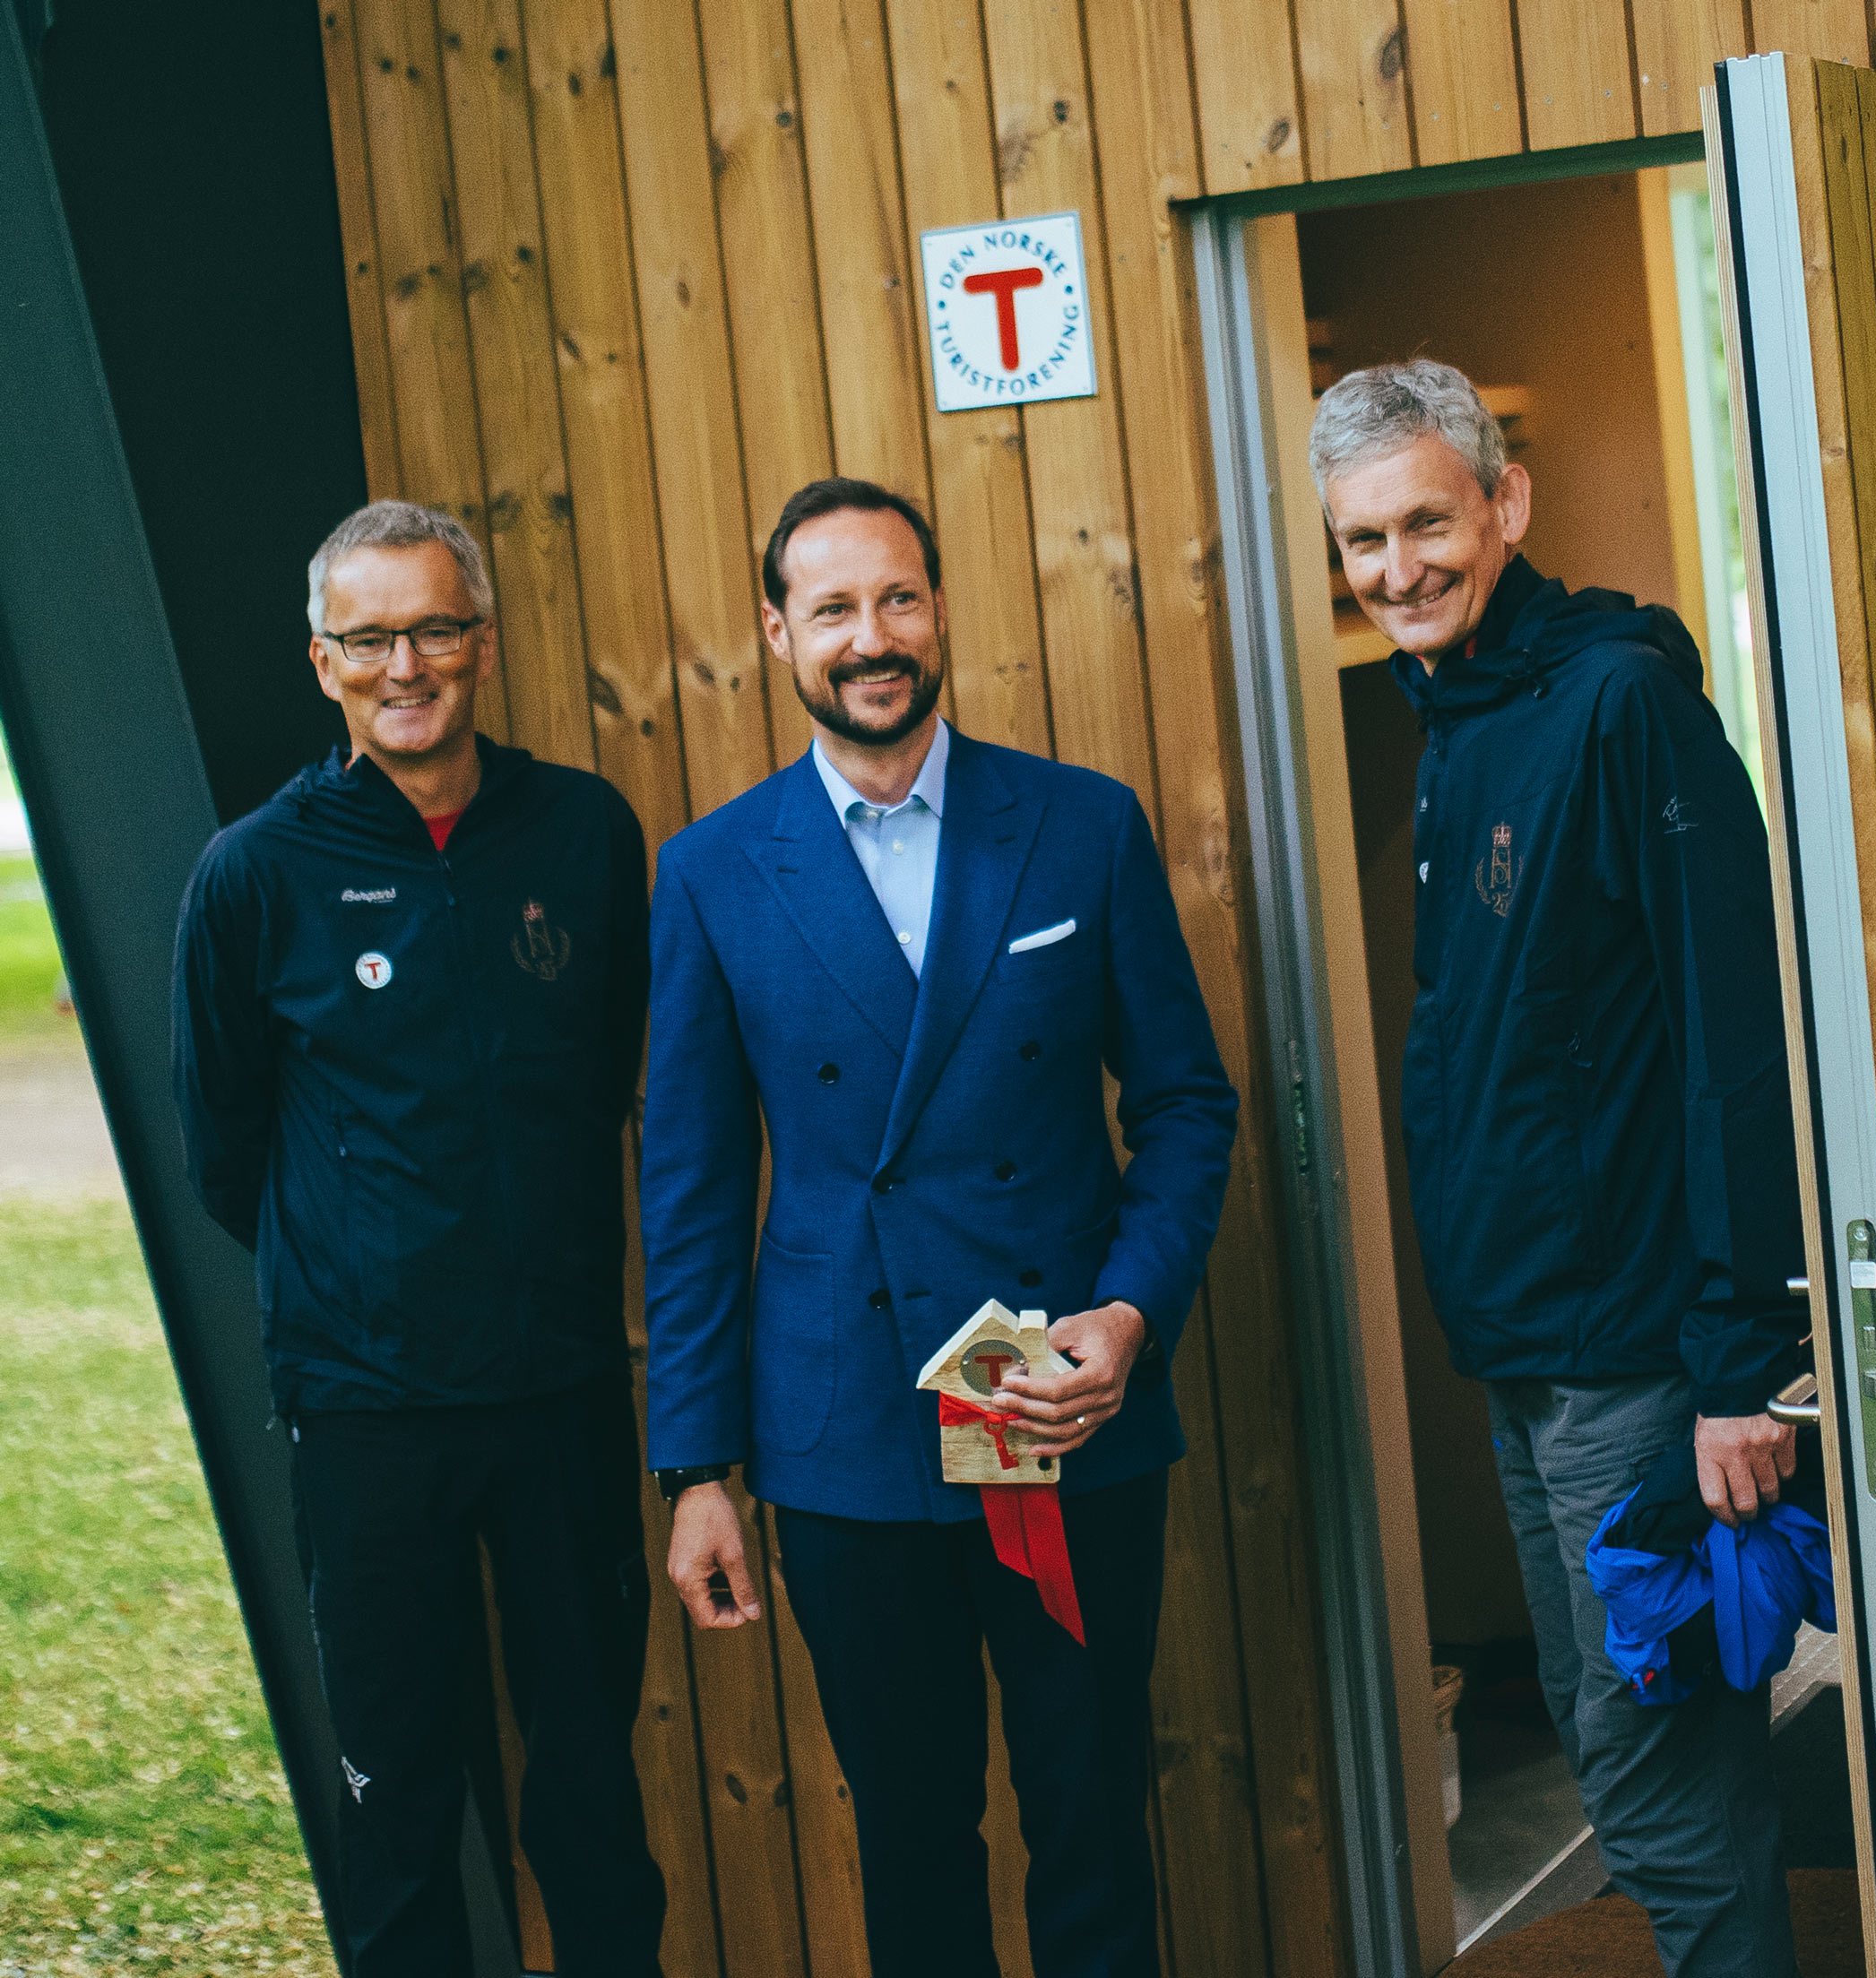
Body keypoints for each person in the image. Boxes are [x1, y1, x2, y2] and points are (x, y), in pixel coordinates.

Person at [640, 477, 1237, 1978]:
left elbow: (1184, 1108)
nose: (872, 637)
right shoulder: (714, 870)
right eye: (832, 609)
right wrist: (696, 1468)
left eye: (898, 597)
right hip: (847, 1428)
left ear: (943, 607)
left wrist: (1128, 1316)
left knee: (1092, 1807)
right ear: (778, 633)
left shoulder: (1081, 827)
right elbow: (697, 1192)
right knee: (910, 1831)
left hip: (1066, 1406)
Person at [1310, 359, 1809, 1976]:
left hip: (1643, 1363)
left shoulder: (1618, 702)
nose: (1398, 572)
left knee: (1656, 1773)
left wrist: (1745, 1362)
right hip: (1530, 1358)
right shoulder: (1454, 719)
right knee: (1637, 1752)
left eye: (1427, 525)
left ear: (1504, 506)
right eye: (1363, 544)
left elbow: (1738, 1048)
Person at [171, 501, 665, 1974]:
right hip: (369, 1411)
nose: (409, 666)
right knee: (398, 1807)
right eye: (371, 638)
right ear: (323, 663)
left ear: (485, 643)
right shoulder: (254, 876)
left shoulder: (581, 833)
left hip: (561, 1391)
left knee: (590, 1796)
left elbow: (614, 1076)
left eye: (436, 629)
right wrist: (369, 1269)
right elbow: (225, 1151)